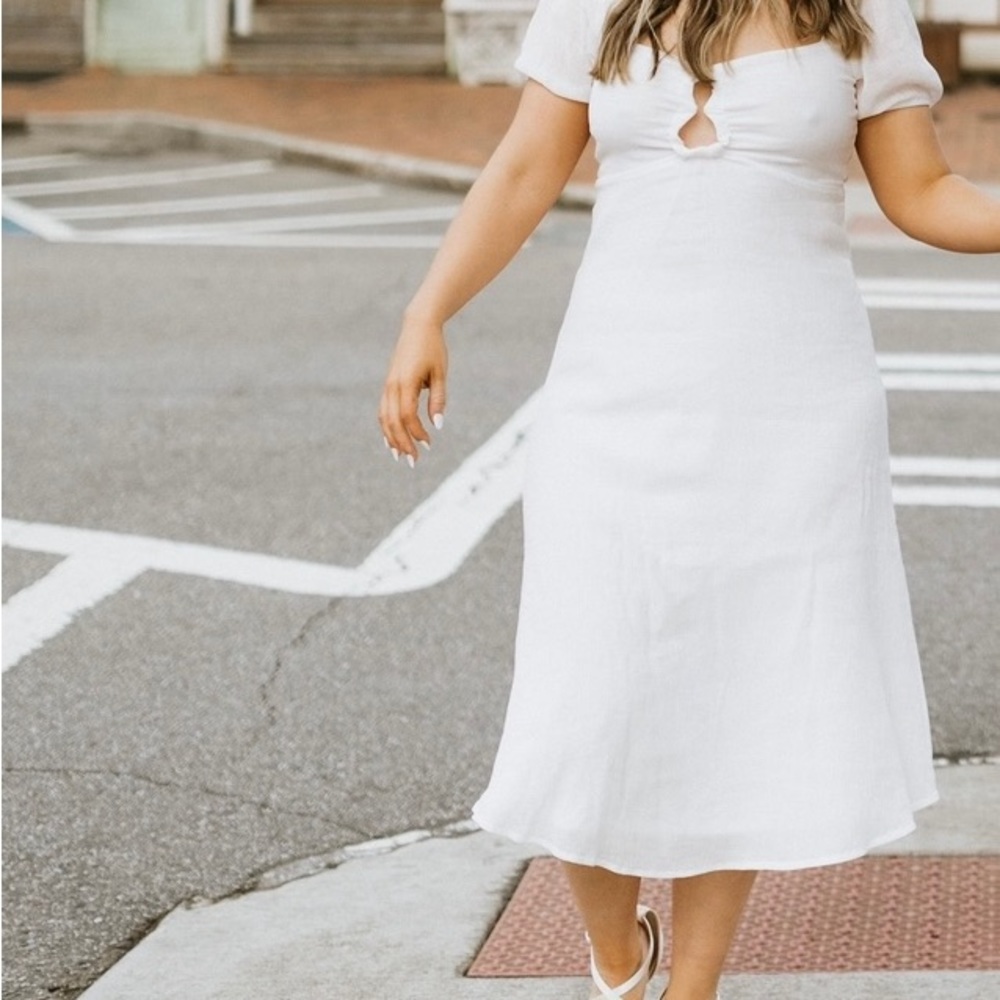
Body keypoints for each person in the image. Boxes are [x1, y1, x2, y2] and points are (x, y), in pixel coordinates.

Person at [378, 0, 1000, 997]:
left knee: (735, 692)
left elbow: (922, 190)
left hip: (791, 414)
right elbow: (523, 172)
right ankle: (620, 955)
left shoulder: (857, 12)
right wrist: (429, 308)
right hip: (610, 398)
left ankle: (691, 985)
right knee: (588, 694)